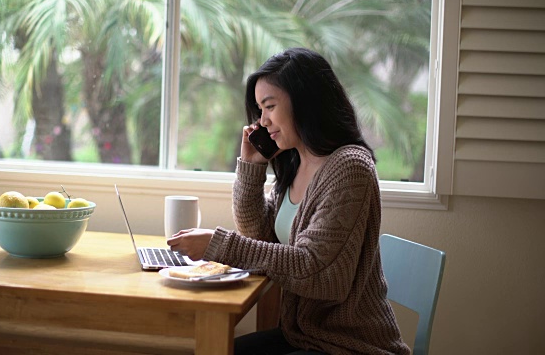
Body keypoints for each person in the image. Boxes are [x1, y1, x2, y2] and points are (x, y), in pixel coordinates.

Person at [166, 47, 410, 355]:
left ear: (304, 102)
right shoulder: (297, 161)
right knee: (216, 349)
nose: (262, 121)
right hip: (303, 337)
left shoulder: (350, 168)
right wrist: (251, 166)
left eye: (269, 106)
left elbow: (319, 273)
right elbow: (260, 236)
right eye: (259, 110)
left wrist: (219, 244)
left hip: (350, 346)